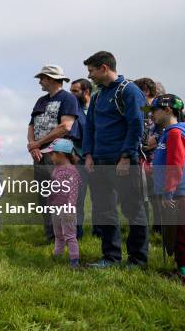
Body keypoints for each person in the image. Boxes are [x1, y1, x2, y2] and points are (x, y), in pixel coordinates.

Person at [82, 51, 149, 269]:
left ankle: (138, 259)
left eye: (91, 71)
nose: (89, 75)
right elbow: (90, 127)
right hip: (99, 162)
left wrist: (126, 156)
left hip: (122, 162)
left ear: (103, 68)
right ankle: (110, 257)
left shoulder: (129, 91)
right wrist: (88, 155)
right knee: (103, 210)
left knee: (133, 209)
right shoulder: (98, 95)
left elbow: (136, 124)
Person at [148, 94, 185, 282]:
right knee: (176, 232)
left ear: (168, 110)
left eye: (154, 110)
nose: (151, 114)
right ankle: (182, 268)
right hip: (171, 191)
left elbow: (176, 166)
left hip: (178, 192)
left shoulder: (176, 133)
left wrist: (168, 192)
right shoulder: (168, 133)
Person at [28, 65, 80, 242]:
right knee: (44, 196)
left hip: (58, 154)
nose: (40, 82)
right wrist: (33, 146)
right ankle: (50, 236)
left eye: (42, 78)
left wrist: (39, 143)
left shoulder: (68, 98)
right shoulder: (40, 100)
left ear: (51, 78)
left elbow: (65, 127)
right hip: (40, 155)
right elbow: (32, 125)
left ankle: (66, 237)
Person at [42, 138, 81, 268]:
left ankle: (74, 260)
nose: (50, 156)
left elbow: (73, 192)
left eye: (51, 154)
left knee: (69, 235)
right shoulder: (56, 169)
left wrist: (70, 207)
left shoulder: (71, 171)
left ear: (61, 154)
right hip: (56, 209)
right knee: (58, 234)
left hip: (66, 209)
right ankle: (57, 256)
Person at [135, 77, 163, 234]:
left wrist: (156, 139)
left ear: (145, 90)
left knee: (155, 192)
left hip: (156, 155)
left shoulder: (158, 105)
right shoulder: (144, 107)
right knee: (144, 191)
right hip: (143, 154)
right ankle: (146, 224)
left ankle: (159, 225)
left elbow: (166, 127)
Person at [70, 78, 94, 239]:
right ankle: (77, 233)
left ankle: (100, 232)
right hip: (79, 160)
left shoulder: (98, 108)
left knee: (101, 200)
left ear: (86, 92)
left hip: (99, 160)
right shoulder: (73, 111)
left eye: (75, 91)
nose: (71, 94)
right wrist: (75, 156)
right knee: (77, 199)